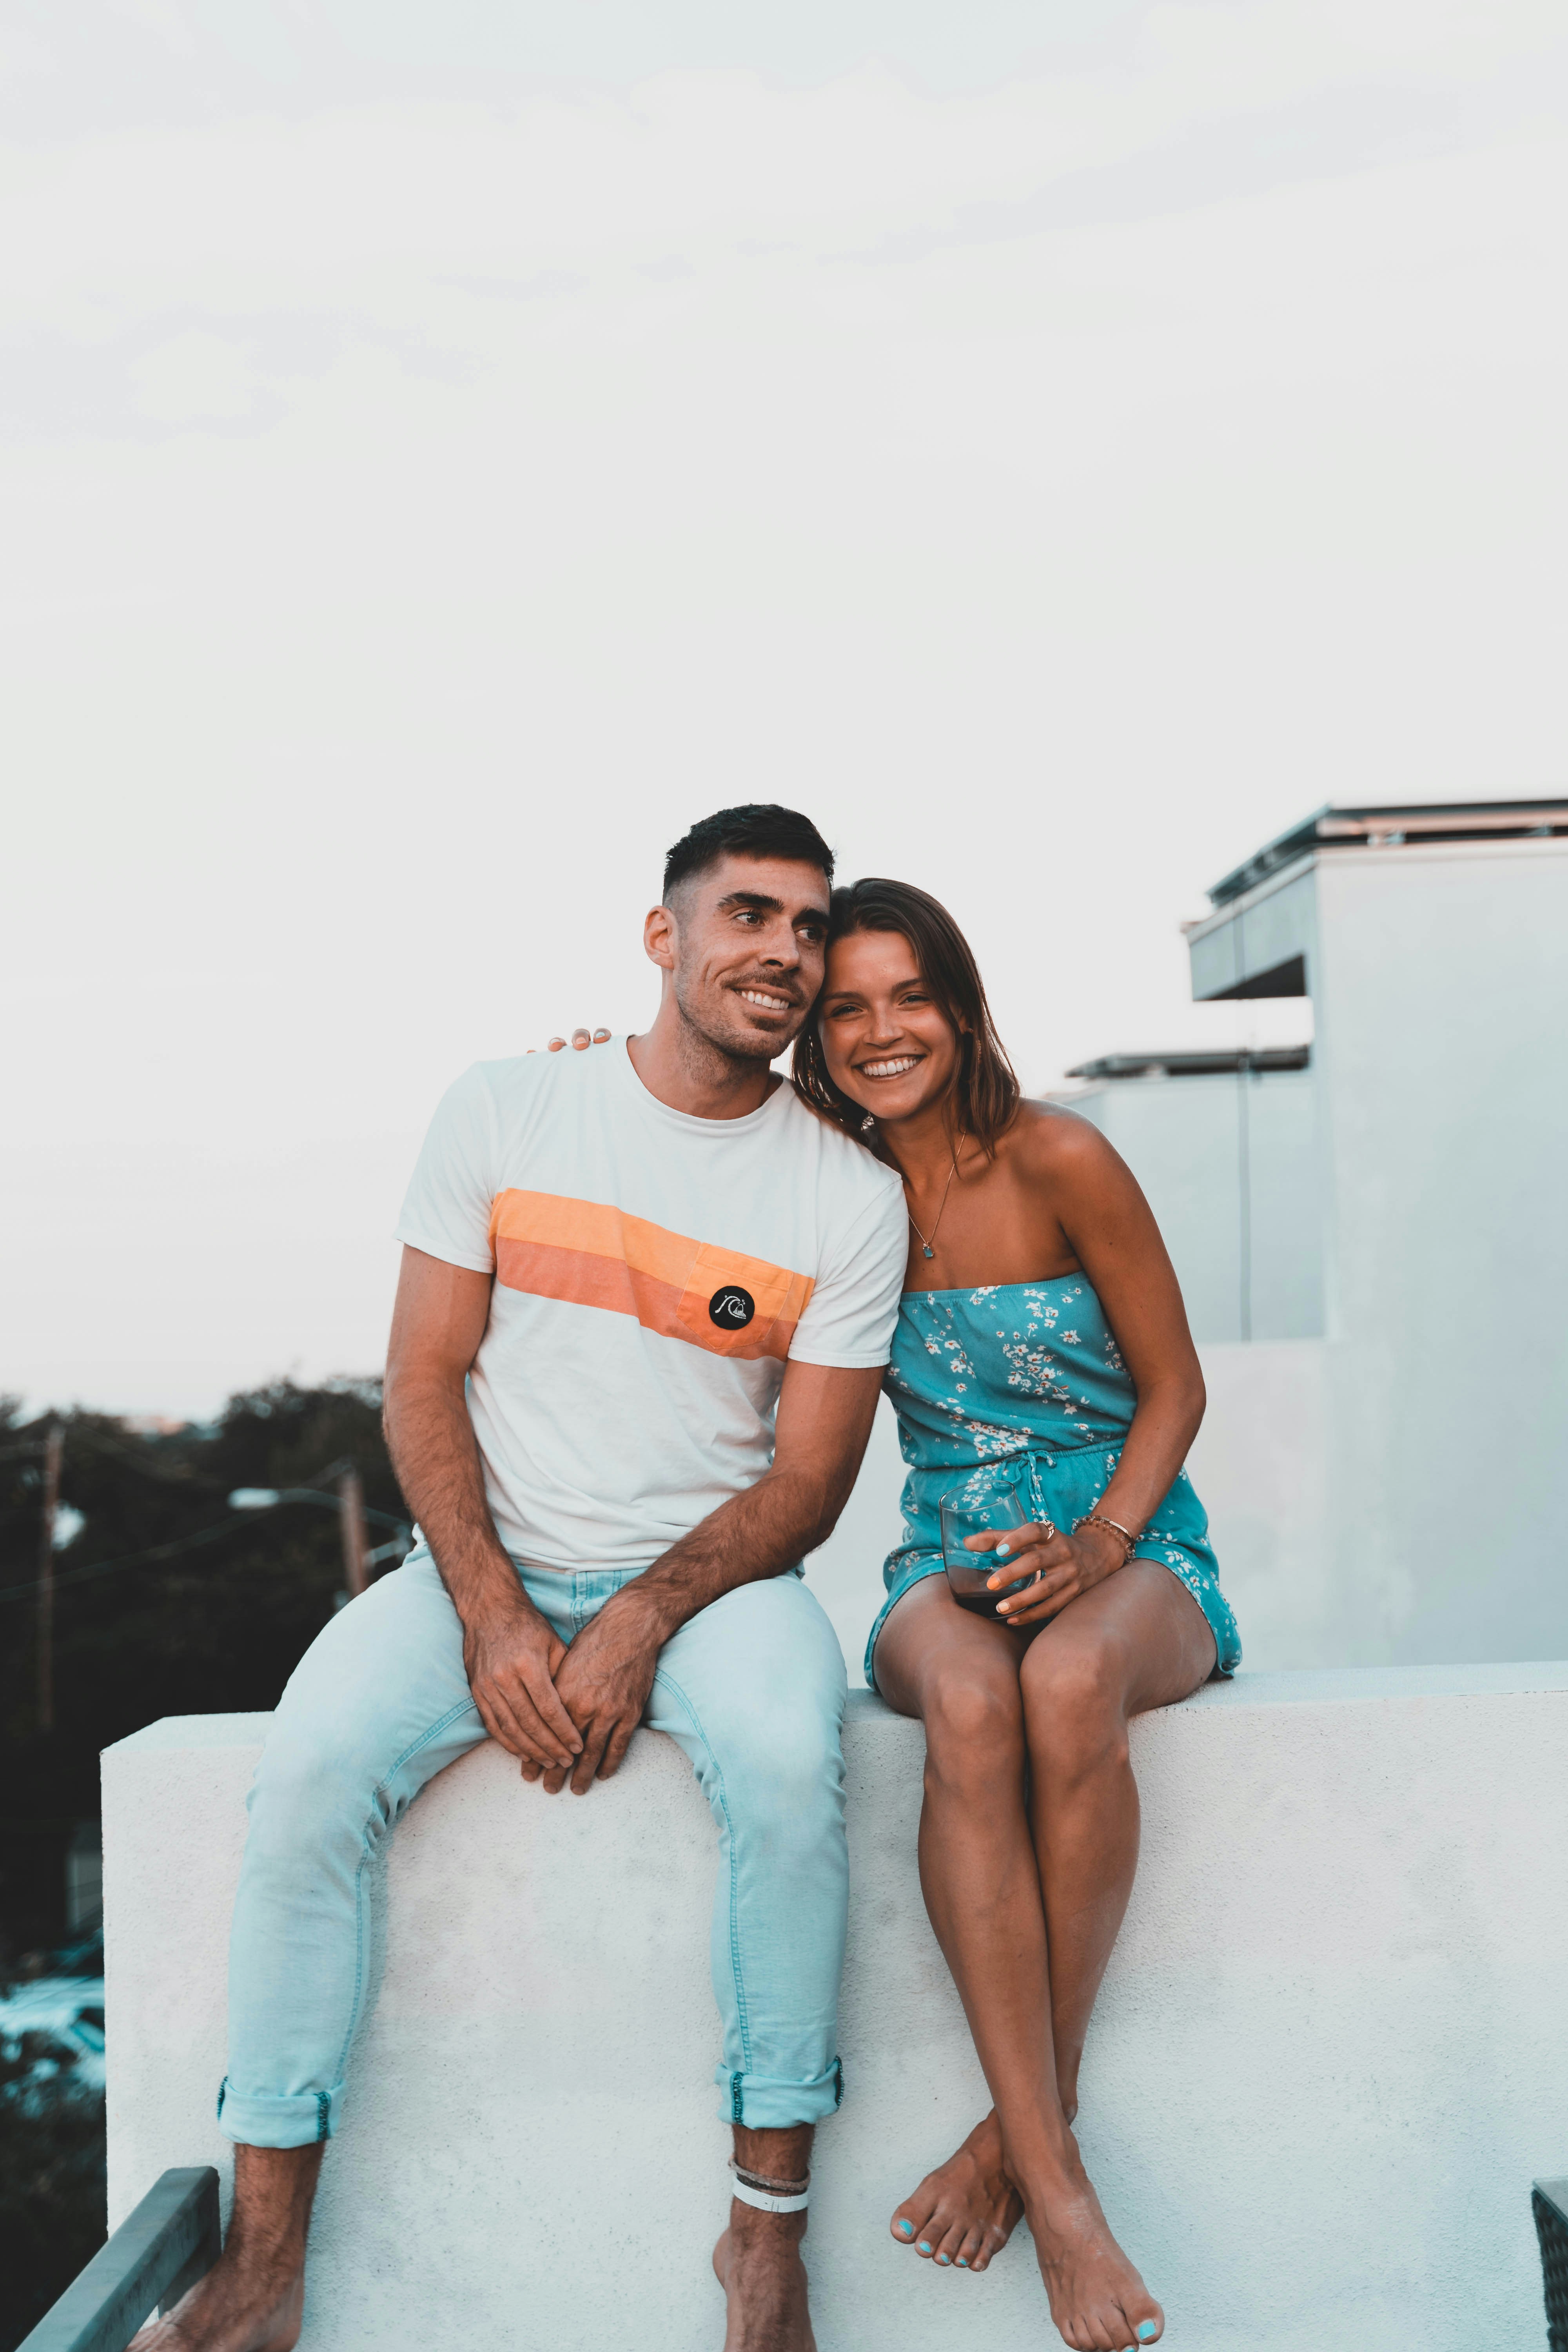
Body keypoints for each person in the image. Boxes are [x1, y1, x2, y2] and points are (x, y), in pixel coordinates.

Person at [133, 806, 909, 2352]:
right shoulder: (504, 1106)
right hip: (476, 1561)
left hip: (709, 1584)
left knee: (778, 1763)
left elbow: (807, 1488)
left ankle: (764, 2244)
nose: (785, 951)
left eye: (811, 927)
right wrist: (489, 1613)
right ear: (663, 935)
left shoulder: (848, 1192)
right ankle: (264, 2269)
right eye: (749, 914)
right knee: (305, 1782)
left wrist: (634, 1619)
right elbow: (421, 1383)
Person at [791, 876, 1242, 2352]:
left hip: (1137, 1543)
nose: (882, 1031)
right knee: (976, 1703)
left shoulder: (1060, 1155)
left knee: (1062, 1692)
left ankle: (1026, 2158)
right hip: (945, 1553)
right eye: (846, 1005)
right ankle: (1065, 2190)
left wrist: (1107, 1543)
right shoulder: (828, 1190)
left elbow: (1177, 1386)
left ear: (963, 1004)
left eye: (909, 995)